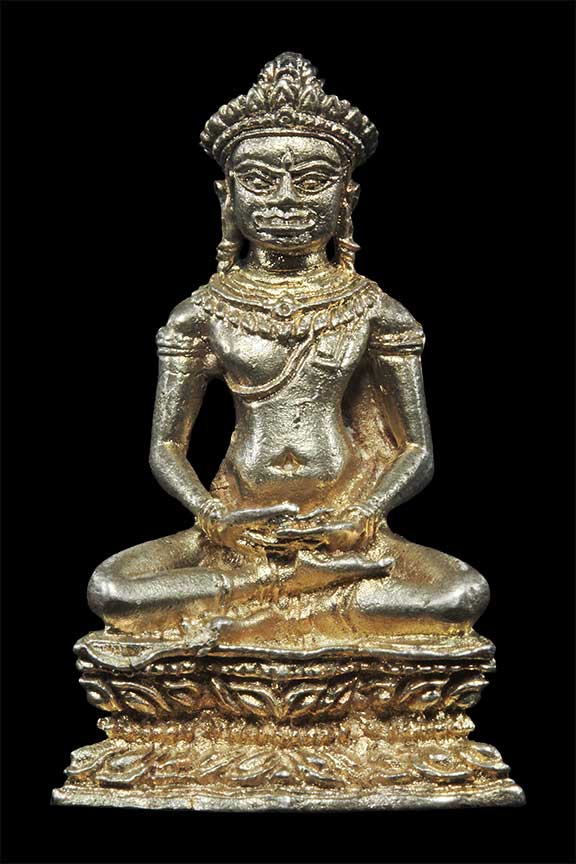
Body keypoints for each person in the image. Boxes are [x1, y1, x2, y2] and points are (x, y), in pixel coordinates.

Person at [88, 53, 488, 647]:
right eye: (257, 181)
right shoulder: (201, 313)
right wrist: (214, 516)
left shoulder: (375, 310)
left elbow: (417, 450)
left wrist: (363, 514)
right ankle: (294, 591)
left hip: (346, 528)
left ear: (347, 199)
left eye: (311, 181)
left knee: (460, 595)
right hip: (234, 529)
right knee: (112, 591)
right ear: (227, 198)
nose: (284, 201)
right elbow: (166, 447)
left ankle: (264, 598)